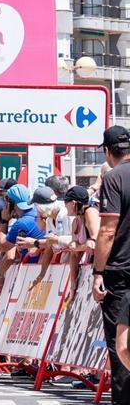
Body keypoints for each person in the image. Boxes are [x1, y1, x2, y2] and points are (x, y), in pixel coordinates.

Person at [93, 126, 130, 402]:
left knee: (122, 347)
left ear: (107, 151)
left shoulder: (114, 177)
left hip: (121, 272)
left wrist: (98, 272)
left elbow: (107, 230)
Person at [0, 185, 46, 292]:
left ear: (10, 203)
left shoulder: (21, 223)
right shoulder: (38, 212)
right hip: (39, 268)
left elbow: (3, 247)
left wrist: (4, 220)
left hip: (31, 270)